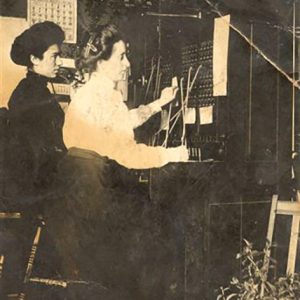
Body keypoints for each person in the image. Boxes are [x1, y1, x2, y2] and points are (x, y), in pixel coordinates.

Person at [45, 24, 189, 300]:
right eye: (121, 56)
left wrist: (160, 102)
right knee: (160, 235)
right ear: (101, 61)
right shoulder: (100, 98)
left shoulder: (93, 93)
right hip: (93, 200)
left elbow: (122, 122)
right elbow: (128, 153)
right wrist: (173, 154)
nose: (128, 63)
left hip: (77, 198)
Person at [5, 21, 67, 204]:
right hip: (34, 182)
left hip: (35, 176)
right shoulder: (31, 95)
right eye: (54, 56)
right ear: (34, 59)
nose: (59, 62)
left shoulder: (32, 89)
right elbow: (40, 149)